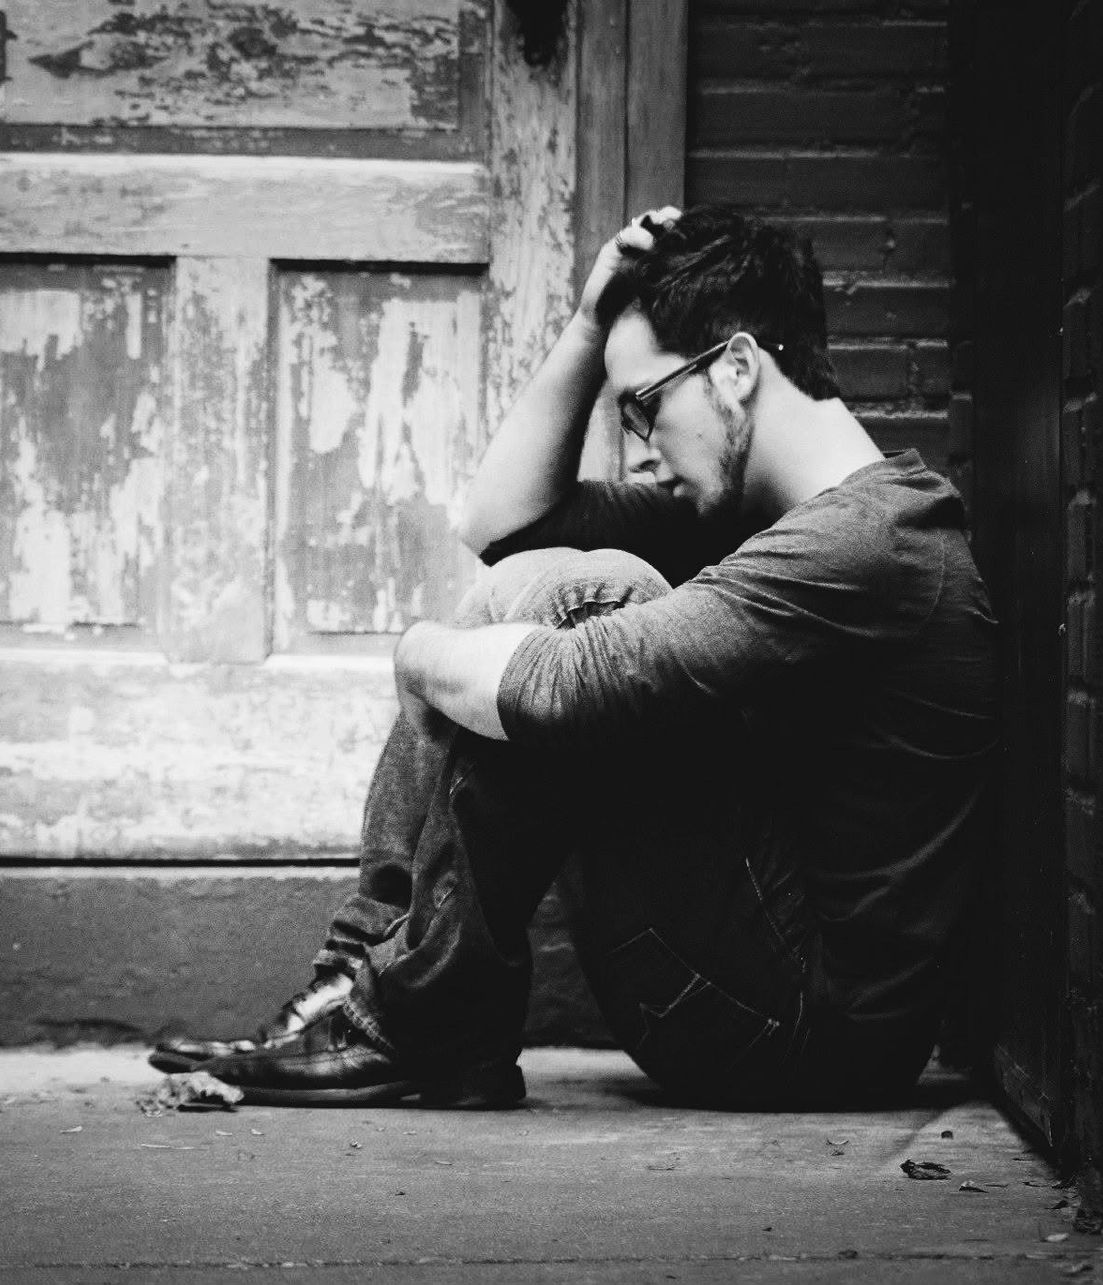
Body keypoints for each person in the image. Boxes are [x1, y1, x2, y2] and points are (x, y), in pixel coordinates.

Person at [150, 205, 998, 1109]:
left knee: (589, 600)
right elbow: (498, 526)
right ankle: (369, 993)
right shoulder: (760, 517)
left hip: (804, 1030)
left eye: (644, 406)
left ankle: (412, 1018)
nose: (640, 450)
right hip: (743, 990)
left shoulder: (872, 542)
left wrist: (419, 655)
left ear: (739, 368)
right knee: (548, 582)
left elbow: (564, 684)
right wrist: (593, 322)